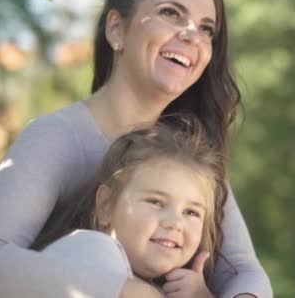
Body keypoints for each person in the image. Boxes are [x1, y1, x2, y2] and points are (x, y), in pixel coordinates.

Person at [0, 0, 272, 297]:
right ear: (116, 29)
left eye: (206, 29)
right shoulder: (56, 137)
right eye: (171, 13)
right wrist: (130, 292)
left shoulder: (188, 157)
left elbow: (244, 271)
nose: (192, 36)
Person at [31, 118, 225, 297]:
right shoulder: (90, 249)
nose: (175, 223)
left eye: (191, 212)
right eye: (156, 202)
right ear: (106, 206)